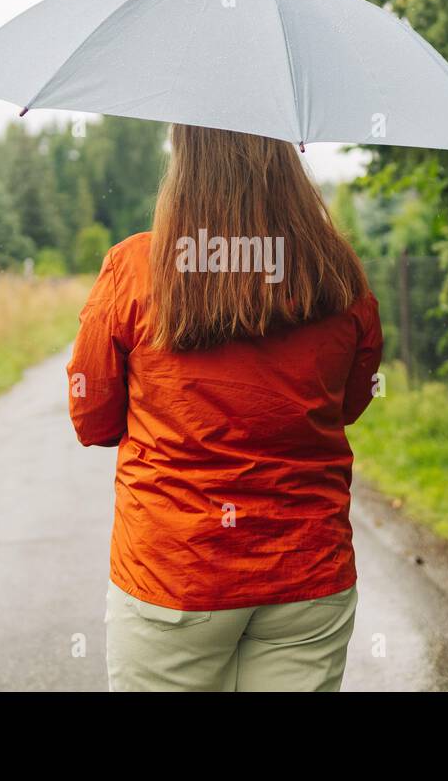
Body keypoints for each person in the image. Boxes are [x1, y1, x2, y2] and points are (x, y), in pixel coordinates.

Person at [66, 122, 383, 691]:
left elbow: (93, 421)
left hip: (174, 574)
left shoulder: (137, 268)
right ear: (283, 158)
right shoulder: (337, 274)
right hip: (306, 575)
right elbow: (346, 404)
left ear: (185, 159)